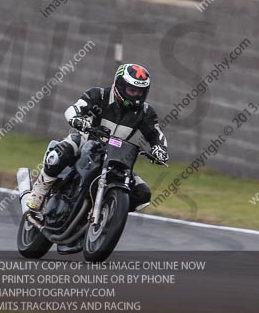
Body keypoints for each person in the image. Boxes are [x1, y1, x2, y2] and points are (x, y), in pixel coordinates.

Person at [26, 63, 169, 247]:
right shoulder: (99, 95)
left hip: (118, 155)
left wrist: (160, 150)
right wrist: (77, 119)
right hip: (88, 140)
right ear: (118, 85)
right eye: (130, 89)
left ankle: (106, 217)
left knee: (142, 193)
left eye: (139, 91)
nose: (134, 94)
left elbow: (156, 134)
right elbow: (74, 109)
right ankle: (39, 193)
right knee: (61, 153)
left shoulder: (146, 112)